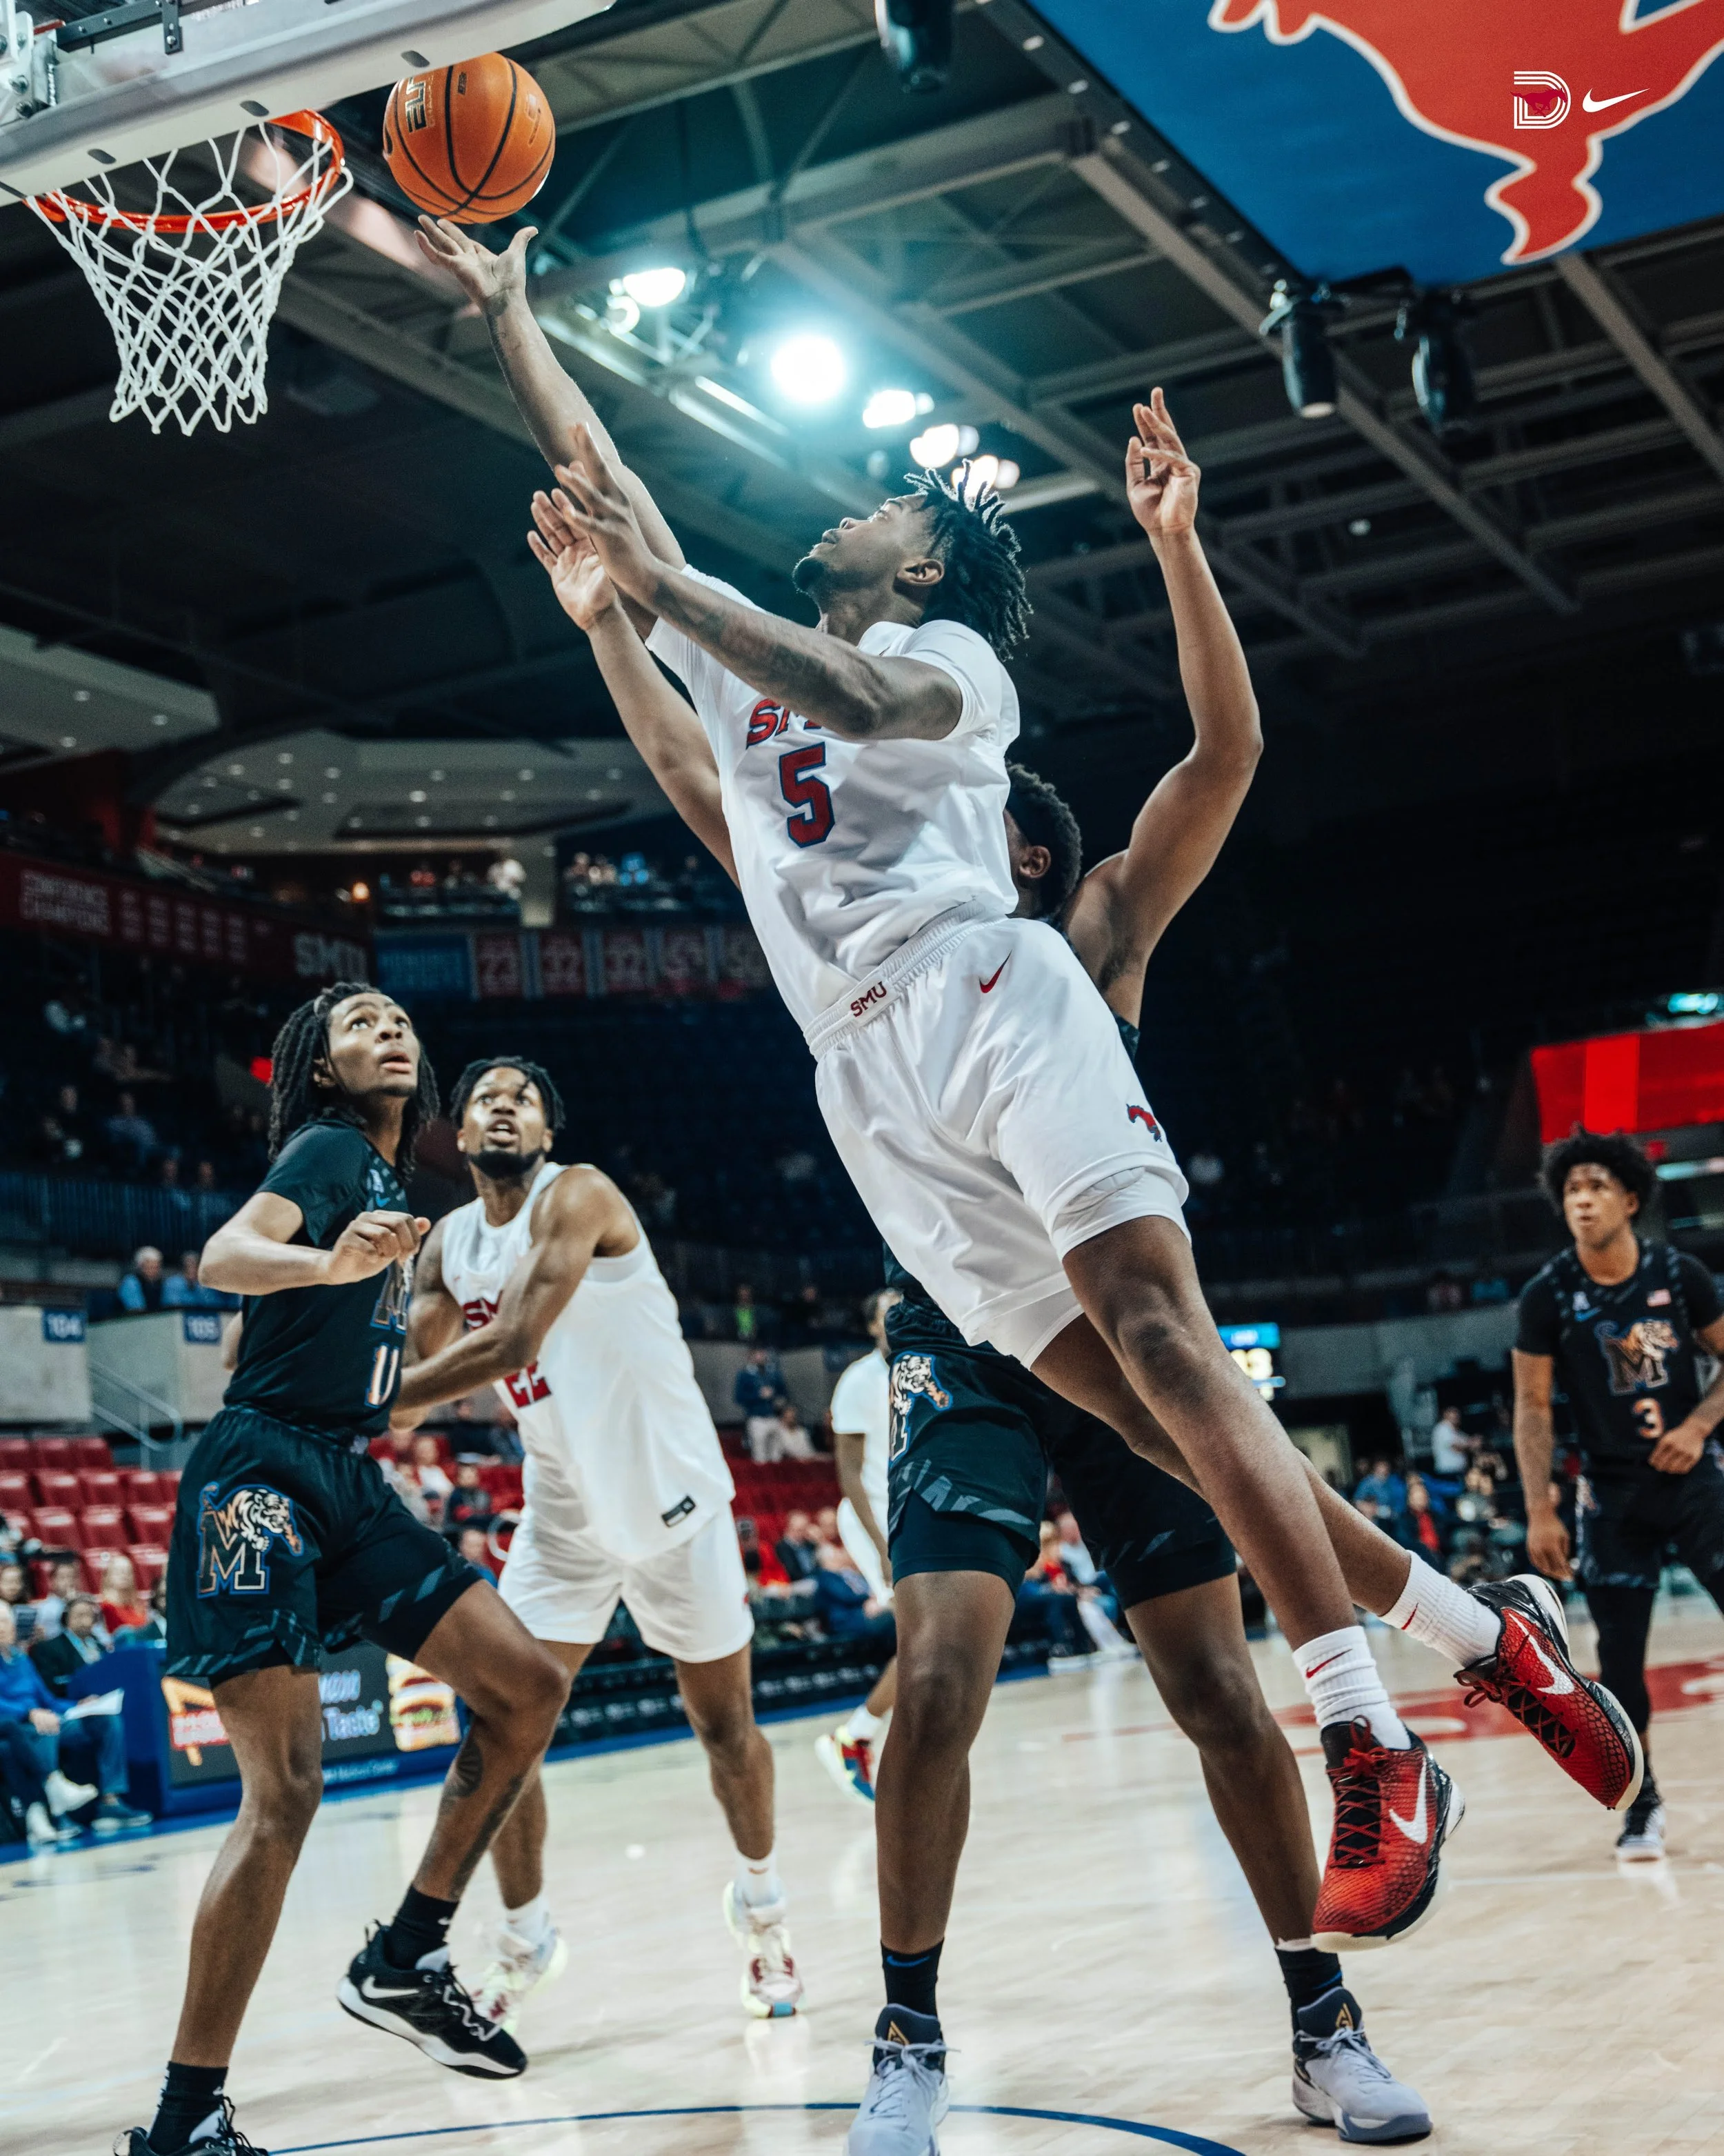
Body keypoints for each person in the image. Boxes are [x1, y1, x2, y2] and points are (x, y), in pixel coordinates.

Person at [512, 377, 1646, 2151]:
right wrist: (512, 340)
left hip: (995, 1038)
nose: (847, 507)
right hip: (906, 1173)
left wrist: (1177, 551)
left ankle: (1352, 1820)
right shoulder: (795, 792)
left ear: (1010, 835)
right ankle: (1465, 1635)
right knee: (953, 1665)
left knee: (1197, 1565)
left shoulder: (1060, 883)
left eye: (886, 505)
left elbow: (1216, 755)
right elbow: (667, 669)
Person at [117, 984, 570, 2156]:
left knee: (527, 1686)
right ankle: (183, 2124)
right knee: (285, 1794)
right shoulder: (325, 1149)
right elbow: (225, 1254)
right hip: (261, 1472)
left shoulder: (392, 1187)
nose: (390, 1030)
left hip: (346, 1476)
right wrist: (324, 1263)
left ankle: (407, 1952)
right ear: (322, 1069)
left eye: (399, 1021)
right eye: (360, 1024)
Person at [394, 1057, 803, 2028]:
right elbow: (415, 1380)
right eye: (485, 1098)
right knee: (504, 1728)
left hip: (672, 1502)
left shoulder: (579, 1193)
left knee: (724, 1727)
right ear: (458, 1131)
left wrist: (366, 1402)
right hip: (563, 1513)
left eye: (524, 1098)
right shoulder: (449, 1242)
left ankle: (764, 1912)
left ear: (547, 1130)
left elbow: (510, 1343)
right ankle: (523, 1939)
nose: (504, 1106)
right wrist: (363, 1291)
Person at [1512, 1130, 1724, 1860]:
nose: (1582, 1200)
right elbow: (1532, 1407)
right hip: (1610, 1496)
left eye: (1597, 1187)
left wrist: (1698, 1425)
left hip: (1692, 1482)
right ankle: (1643, 1807)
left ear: (1630, 1200)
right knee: (1620, 1663)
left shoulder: (1680, 1274)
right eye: (1571, 1189)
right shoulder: (1547, 1295)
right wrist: (1539, 1509)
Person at [817, 1290, 901, 1802]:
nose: (899, 1316)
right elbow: (849, 1475)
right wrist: (882, 1547)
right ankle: (854, 1737)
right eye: (888, 1313)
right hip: (874, 1520)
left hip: (911, 1515)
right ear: (872, 1326)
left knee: (937, 1643)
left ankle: (859, 1736)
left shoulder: (920, 1367)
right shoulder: (857, 1380)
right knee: (925, 1639)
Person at [3, 1597, 147, 1835]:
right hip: (19, 1724)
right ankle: (58, 1814)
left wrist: (78, 1705)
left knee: (106, 1721)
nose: (3, 1628)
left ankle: (110, 1801)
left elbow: (48, 1700)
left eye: (6, 1622)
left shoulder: (22, 1660)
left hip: (46, 1716)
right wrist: (29, 1713)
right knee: (46, 1729)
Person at [813, 1541, 897, 1647]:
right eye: (837, 1552)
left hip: (862, 1613)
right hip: (847, 1621)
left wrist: (873, 1599)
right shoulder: (826, 1577)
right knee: (891, 1618)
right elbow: (846, 1596)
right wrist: (869, 1598)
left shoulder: (845, 1574)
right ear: (829, 1558)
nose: (842, 1554)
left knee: (895, 1615)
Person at [31, 1590, 110, 1693]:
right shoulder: (48, 1648)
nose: (85, 1621)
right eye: (80, 1615)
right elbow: (53, 1685)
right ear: (66, 1618)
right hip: (73, 1698)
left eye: (89, 1615)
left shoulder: (100, 1646)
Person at [734, 1346, 786, 1461]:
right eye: (757, 1354)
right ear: (750, 1356)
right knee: (759, 1454)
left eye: (762, 1353)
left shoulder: (774, 1373)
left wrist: (778, 1399)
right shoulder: (744, 1375)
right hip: (756, 1417)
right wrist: (758, 1395)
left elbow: (783, 1392)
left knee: (776, 1454)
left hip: (774, 1416)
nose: (760, 1356)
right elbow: (739, 1397)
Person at [99, 1553, 148, 1637]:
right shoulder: (106, 1607)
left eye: (128, 1572)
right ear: (109, 1576)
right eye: (118, 1572)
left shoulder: (138, 1605)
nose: (124, 1575)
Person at [119, 1245, 167, 1314]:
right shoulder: (130, 1282)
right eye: (149, 1267)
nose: (153, 1271)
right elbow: (136, 1310)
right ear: (140, 1267)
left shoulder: (161, 1282)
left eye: (156, 1267)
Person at [775, 1510, 821, 1584]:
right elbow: (792, 1572)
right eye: (800, 1530)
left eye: (805, 1529)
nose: (804, 1533)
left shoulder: (810, 1545)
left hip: (815, 1579)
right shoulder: (782, 1547)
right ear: (790, 1528)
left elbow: (819, 1565)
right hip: (797, 1582)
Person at [1430, 1406, 1470, 1477]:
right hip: (1448, 1471)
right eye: (1453, 1413)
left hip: (1459, 1470)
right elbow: (1456, 1447)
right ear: (1446, 1414)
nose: (1456, 1416)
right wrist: (1471, 1444)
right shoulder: (1442, 1429)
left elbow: (1470, 1441)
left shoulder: (1456, 1430)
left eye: (1457, 1414)